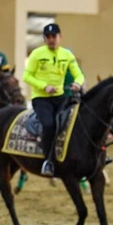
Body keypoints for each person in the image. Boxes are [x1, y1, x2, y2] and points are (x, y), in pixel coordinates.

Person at [23, 23, 85, 177]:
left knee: (79, 119)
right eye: (48, 37)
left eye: (54, 36)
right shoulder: (36, 54)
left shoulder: (67, 55)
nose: (52, 39)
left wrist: (78, 83)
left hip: (60, 96)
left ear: (60, 37)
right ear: (44, 39)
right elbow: (26, 76)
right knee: (49, 125)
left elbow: (79, 74)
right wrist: (44, 87)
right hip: (41, 98)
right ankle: (48, 162)